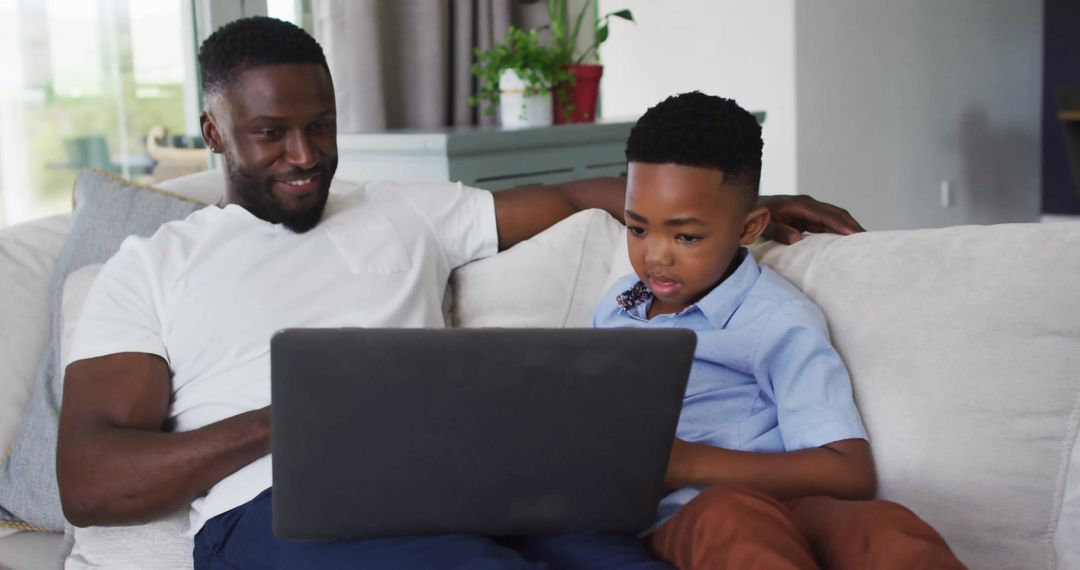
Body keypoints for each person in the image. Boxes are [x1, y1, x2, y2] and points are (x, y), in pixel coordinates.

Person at [55, 17, 864, 570]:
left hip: (471, 485)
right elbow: (90, 481)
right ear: (213, 132)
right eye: (272, 133)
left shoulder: (402, 210)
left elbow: (579, 196)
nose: (305, 155)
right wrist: (290, 419)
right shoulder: (153, 267)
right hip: (277, 511)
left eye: (323, 125)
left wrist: (739, 213)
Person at [593, 92, 966, 569]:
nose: (656, 255)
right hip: (684, 516)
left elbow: (850, 474)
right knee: (735, 521)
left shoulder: (775, 318)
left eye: (686, 236)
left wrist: (685, 463)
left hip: (788, 500)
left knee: (887, 530)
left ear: (750, 227)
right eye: (637, 229)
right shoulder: (616, 309)